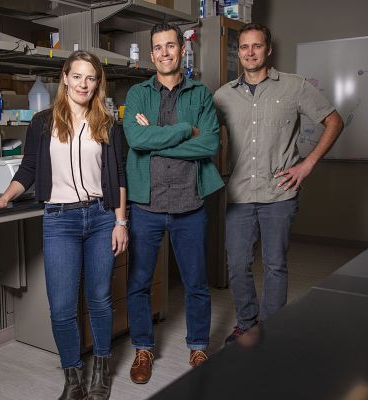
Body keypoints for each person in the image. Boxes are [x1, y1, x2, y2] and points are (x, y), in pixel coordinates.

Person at [0, 50, 128, 400]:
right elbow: (27, 170)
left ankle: (101, 369)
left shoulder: (108, 123)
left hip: (101, 218)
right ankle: (73, 379)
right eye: (78, 76)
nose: (84, 84)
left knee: (99, 299)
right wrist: (4, 197)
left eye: (91, 77)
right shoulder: (43, 122)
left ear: (97, 82)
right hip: (60, 220)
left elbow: (119, 176)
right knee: (61, 306)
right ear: (65, 78)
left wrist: (120, 222)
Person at [213, 23, 344, 343]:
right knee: (237, 265)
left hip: (280, 194)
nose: (249, 53)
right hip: (239, 194)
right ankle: (246, 323)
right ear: (238, 52)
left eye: (256, 46)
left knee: (274, 266)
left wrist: (307, 164)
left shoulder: (294, 86)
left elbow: (334, 120)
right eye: (244, 47)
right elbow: (203, 136)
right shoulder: (222, 95)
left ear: (268, 49)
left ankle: (271, 331)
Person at [123, 22, 224, 384]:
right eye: (158, 47)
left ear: (181, 50)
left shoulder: (200, 94)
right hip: (145, 207)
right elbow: (135, 139)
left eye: (170, 46)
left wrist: (156, 137)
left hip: (189, 205)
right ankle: (143, 349)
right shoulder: (136, 93)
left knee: (196, 282)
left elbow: (210, 144)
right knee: (138, 282)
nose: (164, 53)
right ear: (151, 55)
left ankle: (198, 345)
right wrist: (185, 130)